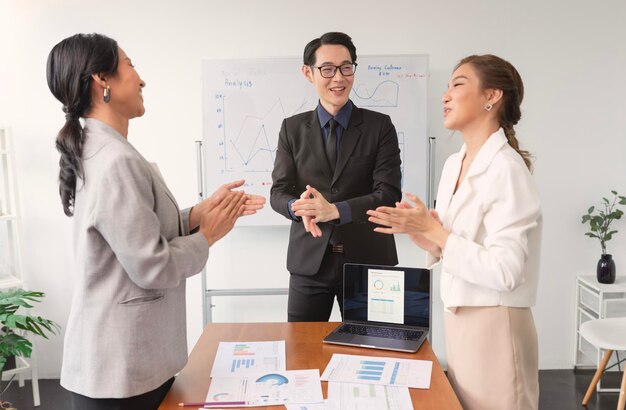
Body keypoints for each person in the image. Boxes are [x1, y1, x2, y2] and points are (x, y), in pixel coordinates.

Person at [46, 33, 265, 409]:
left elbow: (134, 231)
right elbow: (151, 265)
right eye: (130, 65)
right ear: (102, 80)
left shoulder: (105, 151)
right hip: (119, 372)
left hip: (124, 367)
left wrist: (197, 214)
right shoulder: (115, 160)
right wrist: (207, 236)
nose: (141, 79)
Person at [367, 55, 542, 410]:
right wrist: (423, 234)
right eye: (447, 86)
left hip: (497, 325)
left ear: (491, 95)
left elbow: (507, 271)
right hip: (459, 321)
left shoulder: (507, 168)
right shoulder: (453, 164)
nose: (445, 95)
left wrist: (437, 232)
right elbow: (454, 246)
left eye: (458, 84)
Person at [270, 32, 402, 322]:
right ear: (308, 73)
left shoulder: (380, 127)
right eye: (327, 69)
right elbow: (279, 191)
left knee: (371, 351)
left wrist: (334, 211)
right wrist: (297, 207)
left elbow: (389, 194)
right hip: (309, 263)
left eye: (346, 67)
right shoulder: (292, 129)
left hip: (368, 262)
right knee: (301, 354)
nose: (338, 78)